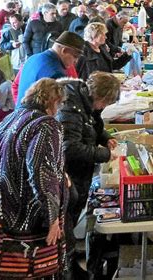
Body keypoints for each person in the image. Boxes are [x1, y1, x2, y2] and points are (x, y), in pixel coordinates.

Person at [0, 78, 68, 278]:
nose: (59, 108)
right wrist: (52, 217)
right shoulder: (46, 125)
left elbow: (0, 159)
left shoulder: (12, 118)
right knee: (22, 271)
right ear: (51, 102)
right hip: (11, 220)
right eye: (59, 103)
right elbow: (41, 172)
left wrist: (62, 174)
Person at [56, 72, 121, 278]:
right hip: (70, 174)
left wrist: (105, 137)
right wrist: (105, 154)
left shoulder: (83, 103)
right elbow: (70, 148)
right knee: (65, 223)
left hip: (79, 174)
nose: (103, 107)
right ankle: (65, 269)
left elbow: (93, 125)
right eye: (105, 102)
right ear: (99, 96)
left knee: (70, 224)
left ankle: (70, 264)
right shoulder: (71, 106)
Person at [16, 31, 84, 105]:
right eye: (75, 57)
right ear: (64, 51)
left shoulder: (32, 58)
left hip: (21, 113)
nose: (76, 61)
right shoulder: (57, 73)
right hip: (36, 115)